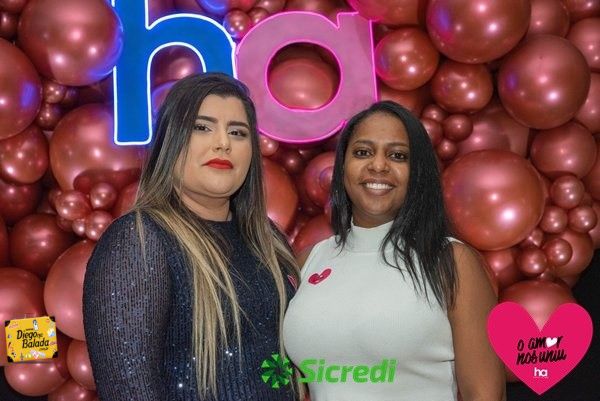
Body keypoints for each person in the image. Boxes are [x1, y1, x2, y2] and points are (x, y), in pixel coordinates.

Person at [83, 73, 299, 401]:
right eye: (202, 127)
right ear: (171, 142)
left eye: (238, 132)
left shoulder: (269, 240)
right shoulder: (139, 241)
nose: (223, 143)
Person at [283, 101, 505, 401]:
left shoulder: (452, 261)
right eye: (363, 152)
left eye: (398, 155)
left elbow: (486, 395)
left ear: (418, 172)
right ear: (343, 166)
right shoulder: (309, 261)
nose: (378, 165)